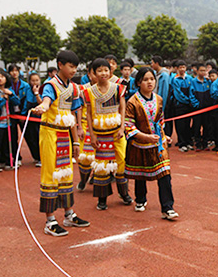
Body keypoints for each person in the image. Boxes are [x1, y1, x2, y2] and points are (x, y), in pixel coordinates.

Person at [31, 50, 90, 237]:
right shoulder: (51, 84)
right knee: (50, 173)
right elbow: (47, 100)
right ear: (60, 65)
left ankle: (68, 214)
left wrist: (75, 143)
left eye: (75, 66)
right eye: (71, 66)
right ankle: (50, 221)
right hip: (50, 133)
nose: (74, 70)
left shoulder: (73, 88)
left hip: (65, 135)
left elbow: (72, 114)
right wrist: (43, 106)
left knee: (66, 174)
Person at [124, 67, 178, 220]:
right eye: (146, 79)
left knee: (165, 174)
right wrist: (145, 137)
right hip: (140, 145)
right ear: (139, 82)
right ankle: (140, 199)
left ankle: (168, 208)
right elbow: (128, 126)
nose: (149, 82)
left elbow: (160, 121)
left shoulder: (159, 99)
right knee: (141, 173)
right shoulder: (132, 102)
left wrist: (164, 135)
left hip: (158, 145)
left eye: (152, 79)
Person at [82, 58, 131, 211]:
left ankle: (124, 193)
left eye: (106, 70)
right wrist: (92, 135)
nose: (103, 73)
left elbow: (123, 108)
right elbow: (89, 114)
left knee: (122, 161)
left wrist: (122, 127)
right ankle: (102, 199)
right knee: (102, 166)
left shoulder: (118, 88)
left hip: (117, 132)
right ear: (93, 73)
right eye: (99, 70)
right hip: (100, 133)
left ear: (110, 72)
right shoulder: (89, 91)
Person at [0, 70, 19, 171]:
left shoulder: (9, 90)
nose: (0, 79)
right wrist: (3, 99)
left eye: (2, 77)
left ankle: (9, 161)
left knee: (9, 142)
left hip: (9, 122)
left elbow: (17, 102)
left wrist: (10, 95)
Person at [170, 60, 194, 151]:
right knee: (180, 125)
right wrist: (186, 100)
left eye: (184, 67)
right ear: (177, 68)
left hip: (189, 105)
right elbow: (178, 94)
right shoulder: (175, 79)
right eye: (180, 67)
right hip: (180, 105)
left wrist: (190, 100)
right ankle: (181, 144)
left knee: (188, 124)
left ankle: (188, 142)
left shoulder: (189, 78)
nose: (182, 69)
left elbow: (192, 90)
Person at [189, 63, 213, 150]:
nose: (203, 72)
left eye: (204, 70)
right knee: (197, 126)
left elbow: (211, 93)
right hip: (197, 109)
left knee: (207, 126)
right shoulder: (193, 82)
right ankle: (198, 144)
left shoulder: (208, 82)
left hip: (207, 109)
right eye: (201, 70)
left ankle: (205, 143)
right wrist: (196, 105)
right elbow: (191, 95)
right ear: (197, 71)